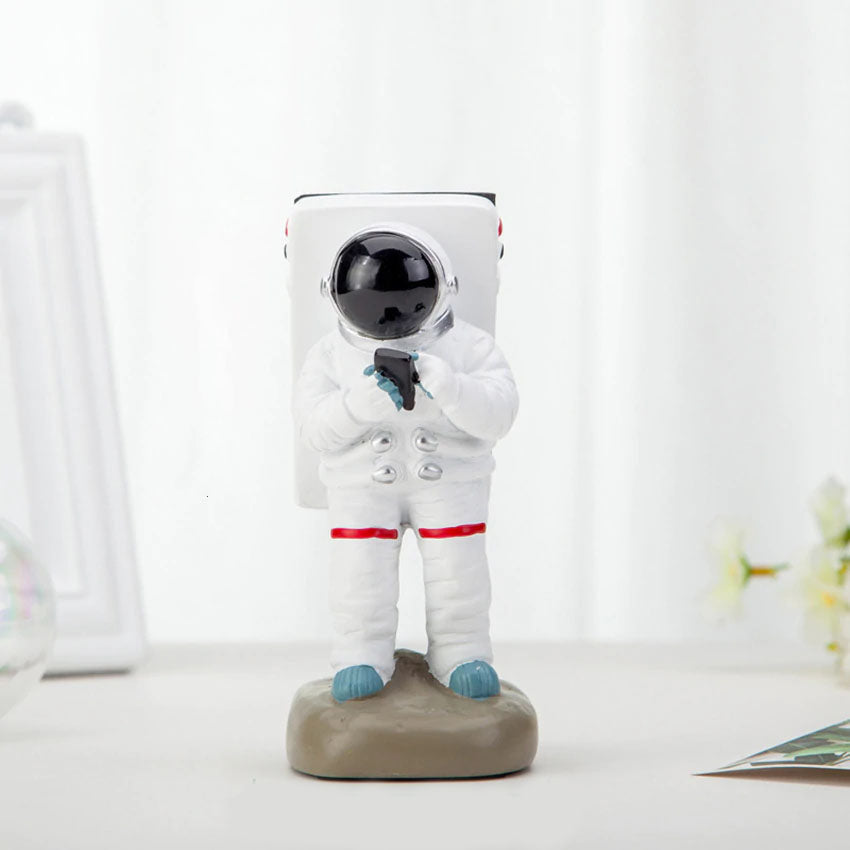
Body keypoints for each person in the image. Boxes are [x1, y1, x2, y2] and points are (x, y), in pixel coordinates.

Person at [293, 224, 518, 702]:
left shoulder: (467, 347)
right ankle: (359, 654)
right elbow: (314, 430)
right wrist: (357, 406)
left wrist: (452, 388)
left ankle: (462, 650)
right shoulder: (331, 356)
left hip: (450, 482)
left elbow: (499, 413)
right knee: (360, 574)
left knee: (458, 571)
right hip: (362, 487)